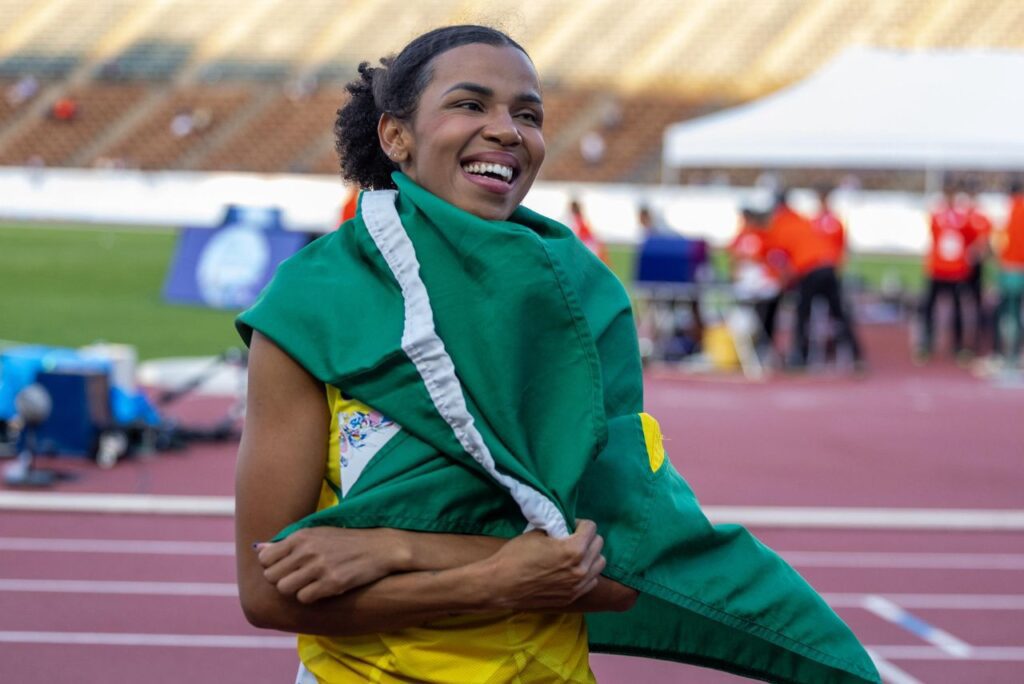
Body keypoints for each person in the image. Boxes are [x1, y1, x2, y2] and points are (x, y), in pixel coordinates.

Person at [235, 25, 877, 684]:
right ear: (396, 135)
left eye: (528, 114)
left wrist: (397, 547)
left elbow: (620, 573)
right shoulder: (311, 305)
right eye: (470, 104)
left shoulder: (581, 301)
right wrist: (491, 579)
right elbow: (266, 592)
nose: (507, 129)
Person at [770, 189, 864, 370]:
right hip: (827, 267)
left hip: (809, 269)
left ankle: (800, 356)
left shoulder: (782, 224)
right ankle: (856, 355)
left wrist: (784, 280)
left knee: (803, 314)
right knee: (839, 314)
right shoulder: (804, 221)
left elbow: (782, 259)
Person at [918, 183, 971, 362]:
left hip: (955, 270)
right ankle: (927, 344)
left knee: (956, 309)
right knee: (929, 308)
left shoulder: (962, 217)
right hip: (938, 269)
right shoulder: (937, 216)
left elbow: (970, 239)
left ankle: (957, 346)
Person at [991, 180, 1024, 367]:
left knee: (1005, 311)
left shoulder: (1009, 210)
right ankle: (1016, 353)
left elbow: (999, 239)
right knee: (1017, 312)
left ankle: (1003, 353)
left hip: (1010, 268)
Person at [963, 180, 993, 355]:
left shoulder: (982, 218)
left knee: (977, 302)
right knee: (962, 301)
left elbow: (986, 243)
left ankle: (977, 340)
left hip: (976, 266)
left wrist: (979, 252)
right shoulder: (964, 217)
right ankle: (963, 342)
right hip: (962, 266)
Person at [567, 197, 607, 264]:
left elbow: (580, 233)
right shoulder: (578, 219)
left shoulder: (577, 219)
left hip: (586, 244)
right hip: (587, 244)